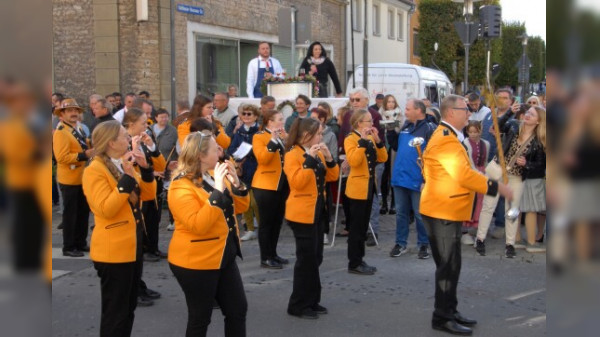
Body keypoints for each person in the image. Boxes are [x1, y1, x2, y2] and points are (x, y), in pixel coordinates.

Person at [419, 94, 513, 336]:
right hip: (442, 210)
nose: (469, 113)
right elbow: (463, 175)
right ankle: (442, 317)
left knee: (452, 265)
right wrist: (496, 187)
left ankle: (450, 309)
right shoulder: (445, 139)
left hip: (445, 208)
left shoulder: (449, 135)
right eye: (464, 109)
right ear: (451, 112)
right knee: (447, 268)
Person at [168, 131, 249, 336]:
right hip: (196, 261)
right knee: (200, 318)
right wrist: (219, 191)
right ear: (201, 156)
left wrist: (236, 183)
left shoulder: (212, 175)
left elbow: (239, 207)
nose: (221, 152)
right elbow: (198, 224)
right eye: (216, 149)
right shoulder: (180, 186)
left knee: (237, 310)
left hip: (223, 254)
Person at [82, 121, 156, 337]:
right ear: (112, 142)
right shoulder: (94, 169)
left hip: (132, 245)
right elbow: (105, 209)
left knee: (128, 309)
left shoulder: (121, 162)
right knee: (116, 313)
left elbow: (148, 195)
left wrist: (144, 168)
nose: (129, 139)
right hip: (113, 252)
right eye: (125, 136)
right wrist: (126, 177)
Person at [284, 118, 339, 319]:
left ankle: (312, 300)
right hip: (301, 213)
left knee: (316, 258)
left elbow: (332, 176)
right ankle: (298, 304)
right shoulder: (293, 155)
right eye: (318, 134)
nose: (321, 137)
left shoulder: (316, 151)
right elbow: (297, 182)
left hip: (318, 210)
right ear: (306, 135)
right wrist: (308, 159)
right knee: (305, 260)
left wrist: (328, 157)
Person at [475, 105, 547, 258]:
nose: (527, 115)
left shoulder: (539, 141)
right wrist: (509, 112)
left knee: (512, 211)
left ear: (539, 121)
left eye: (532, 114)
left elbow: (541, 164)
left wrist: (526, 164)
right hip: (497, 171)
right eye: (527, 112)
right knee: (488, 206)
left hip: (516, 177)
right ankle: (480, 239)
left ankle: (510, 244)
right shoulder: (514, 125)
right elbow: (497, 125)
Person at [389, 99, 436, 259]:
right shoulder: (406, 126)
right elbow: (396, 146)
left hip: (418, 179)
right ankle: (400, 243)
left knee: (420, 214)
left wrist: (427, 179)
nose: (405, 111)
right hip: (400, 177)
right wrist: (389, 130)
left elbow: (433, 156)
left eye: (408, 109)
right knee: (401, 214)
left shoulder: (430, 128)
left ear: (418, 110)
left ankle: (424, 244)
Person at [344, 109, 388, 275]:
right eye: (368, 121)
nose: (372, 124)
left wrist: (377, 141)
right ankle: (354, 262)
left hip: (370, 185)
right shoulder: (351, 139)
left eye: (371, 121)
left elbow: (383, 158)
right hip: (357, 189)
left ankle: (359, 259)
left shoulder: (369, 137)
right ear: (358, 123)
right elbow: (354, 161)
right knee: (356, 228)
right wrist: (362, 141)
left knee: (362, 227)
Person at [52, 98, 93, 257]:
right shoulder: (61, 132)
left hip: (82, 177)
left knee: (83, 212)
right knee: (70, 215)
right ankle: (68, 246)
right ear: (62, 114)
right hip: (69, 179)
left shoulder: (78, 129)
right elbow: (61, 157)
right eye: (70, 111)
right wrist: (84, 155)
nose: (74, 113)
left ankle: (80, 243)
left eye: (76, 110)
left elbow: (83, 144)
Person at [252, 109, 290, 268]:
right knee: (266, 223)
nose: (282, 122)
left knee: (277, 221)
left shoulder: (282, 135)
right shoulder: (259, 136)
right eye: (279, 119)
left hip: (281, 185)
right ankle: (265, 257)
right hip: (265, 185)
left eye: (282, 119)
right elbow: (263, 159)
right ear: (269, 122)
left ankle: (273, 253)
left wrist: (287, 140)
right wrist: (273, 141)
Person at [228, 104, 261, 242]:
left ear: (255, 116)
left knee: (256, 202)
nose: (246, 116)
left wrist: (249, 151)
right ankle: (249, 228)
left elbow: (260, 149)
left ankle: (261, 226)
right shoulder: (239, 131)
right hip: (242, 168)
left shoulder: (259, 131)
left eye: (249, 114)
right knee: (245, 200)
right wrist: (238, 154)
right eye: (244, 114)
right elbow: (231, 148)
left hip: (256, 167)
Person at [310, 108, 338, 243]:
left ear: (321, 120)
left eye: (314, 118)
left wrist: (328, 157)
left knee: (326, 205)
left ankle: (325, 231)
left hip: (324, 176)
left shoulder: (330, 135)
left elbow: (334, 157)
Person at [460, 121, 490, 245]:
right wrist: (477, 174)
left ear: (480, 131)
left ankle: (477, 228)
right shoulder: (465, 143)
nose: (472, 134)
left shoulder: (486, 144)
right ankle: (464, 231)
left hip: (482, 172)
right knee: (470, 202)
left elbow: (486, 161)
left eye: (475, 132)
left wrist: (486, 174)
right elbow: (470, 162)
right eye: (470, 132)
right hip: (471, 174)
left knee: (480, 202)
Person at [153, 108, 179, 231]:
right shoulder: (150, 130)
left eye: (166, 117)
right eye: (161, 117)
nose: (164, 119)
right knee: (155, 194)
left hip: (170, 165)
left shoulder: (173, 131)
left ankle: (172, 220)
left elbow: (178, 148)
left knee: (170, 194)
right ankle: (154, 220)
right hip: (154, 166)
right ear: (156, 118)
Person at [379, 94, 403, 215]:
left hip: (394, 148)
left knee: (393, 174)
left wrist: (394, 127)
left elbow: (401, 130)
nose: (391, 104)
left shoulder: (399, 114)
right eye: (388, 102)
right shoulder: (380, 114)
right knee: (384, 176)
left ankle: (393, 203)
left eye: (393, 102)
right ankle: (384, 202)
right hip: (384, 147)